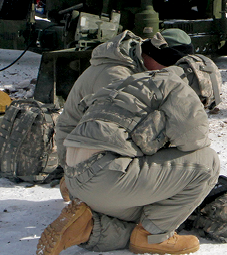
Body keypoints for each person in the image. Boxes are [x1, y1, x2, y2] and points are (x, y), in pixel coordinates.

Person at [38, 54, 222, 255]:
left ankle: (88, 227)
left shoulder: (133, 79)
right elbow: (195, 141)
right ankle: (154, 237)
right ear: (203, 85)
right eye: (205, 102)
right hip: (106, 174)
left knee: (144, 214)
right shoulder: (179, 88)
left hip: (76, 178)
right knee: (208, 163)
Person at [55, 30, 191, 199]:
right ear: (154, 56)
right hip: (80, 149)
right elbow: (126, 128)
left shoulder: (139, 64)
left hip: (94, 139)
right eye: (169, 67)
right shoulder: (115, 75)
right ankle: (76, 187)